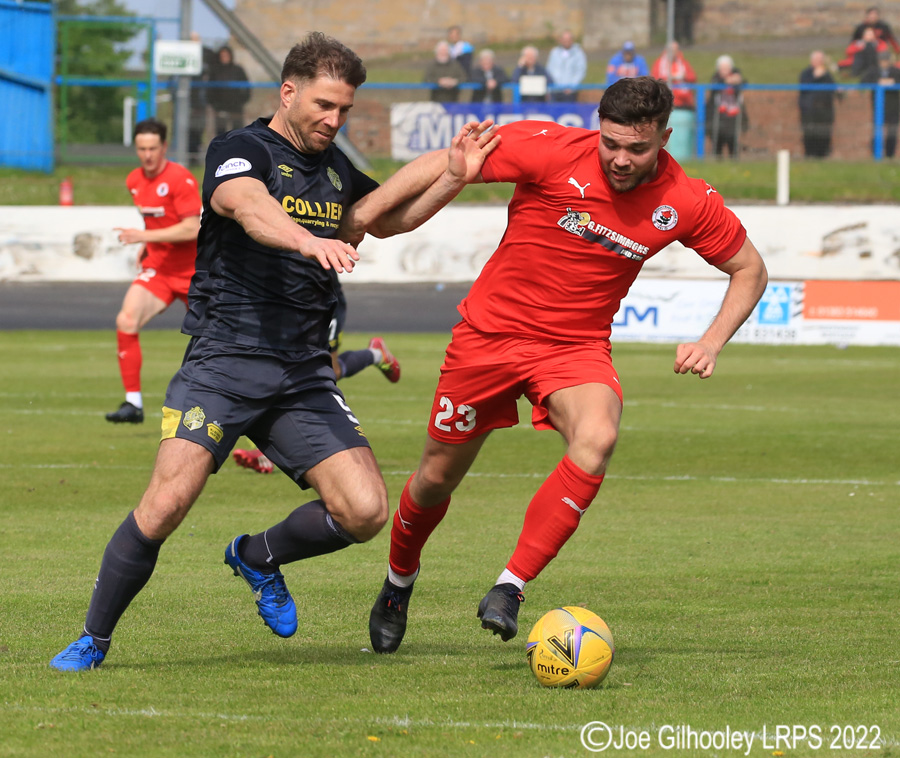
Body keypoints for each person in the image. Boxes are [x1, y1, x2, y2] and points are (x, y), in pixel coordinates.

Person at [49, 31, 499, 671]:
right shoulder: (240, 149)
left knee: (366, 511)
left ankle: (256, 555)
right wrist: (306, 242)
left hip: (302, 372)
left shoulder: (335, 166)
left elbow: (380, 215)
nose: (333, 120)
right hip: (223, 362)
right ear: (287, 93)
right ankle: (94, 638)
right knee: (165, 504)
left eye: (343, 109)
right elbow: (249, 207)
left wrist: (452, 174)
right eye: (323, 105)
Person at [365, 76, 767, 655]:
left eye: (638, 149)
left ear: (665, 139)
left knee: (598, 437)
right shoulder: (550, 149)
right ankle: (398, 582)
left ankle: (510, 587)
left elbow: (750, 269)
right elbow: (444, 161)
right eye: (611, 144)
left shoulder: (686, 200)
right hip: (489, 337)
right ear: (596, 128)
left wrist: (712, 341)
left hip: (573, 349)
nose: (622, 159)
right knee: (435, 478)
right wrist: (365, 214)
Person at [233, 297, 401, 474]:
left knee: (329, 369)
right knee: (272, 368)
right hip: (289, 303)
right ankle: (264, 452)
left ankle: (375, 354)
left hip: (322, 300)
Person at [106, 118, 201, 424]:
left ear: (164, 147)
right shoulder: (134, 180)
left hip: (195, 272)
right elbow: (157, 221)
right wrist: (147, 246)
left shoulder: (180, 179)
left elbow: (192, 227)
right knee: (126, 319)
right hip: (159, 268)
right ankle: (133, 403)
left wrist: (143, 237)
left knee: (215, 339)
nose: (147, 155)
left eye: (152, 148)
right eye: (141, 148)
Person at [705, 54, 747, 158]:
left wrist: (737, 79)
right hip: (718, 117)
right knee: (717, 144)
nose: (724, 71)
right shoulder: (715, 78)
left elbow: (744, 83)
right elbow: (715, 84)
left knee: (733, 143)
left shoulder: (736, 78)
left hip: (732, 118)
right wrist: (726, 81)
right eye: (722, 68)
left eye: (727, 68)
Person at [861, 48, 900, 158]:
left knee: (892, 131)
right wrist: (878, 82)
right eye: (882, 60)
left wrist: (893, 82)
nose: (884, 63)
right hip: (878, 107)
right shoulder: (873, 71)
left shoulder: (896, 71)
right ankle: (876, 155)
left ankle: (890, 155)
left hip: (893, 107)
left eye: (886, 60)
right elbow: (863, 82)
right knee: (877, 131)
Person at [798, 50, 838, 158]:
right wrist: (816, 77)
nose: (819, 62)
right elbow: (804, 88)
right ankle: (810, 154)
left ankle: (823, 154)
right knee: (810, 132)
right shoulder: (806, 73)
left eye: (821, 60)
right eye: (817, 60)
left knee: (824, 131)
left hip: (825, 110)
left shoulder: (827, 75)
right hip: (810, 110)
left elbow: (834, 88)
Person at [208, 45, 251, 136]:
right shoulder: (215, 71)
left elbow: (246, 87)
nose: (224, 58)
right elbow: (210, 88)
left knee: (237, 132)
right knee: (221, 132)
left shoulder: (238, 70)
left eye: (226, 55)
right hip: (220, 107)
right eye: (222, 55)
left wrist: (242, 100)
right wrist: (214, 104)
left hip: (235, 107)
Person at [652, 41, 697, 110]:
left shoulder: (683, 63)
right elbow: (654, 79)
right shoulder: (659, 63)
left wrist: (684, 76)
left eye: (676, 50)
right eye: (672, 50)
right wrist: (669, 78)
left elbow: (693, 77)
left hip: (684, 101)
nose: (674, 52)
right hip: (665, 100)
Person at [545, 30, 587, 103]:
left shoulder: (578, 53)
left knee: (569, 113)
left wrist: (572, 87)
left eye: (568, 39)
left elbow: (580, 71)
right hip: (556, 91)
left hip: (570, 92)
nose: (566, 41)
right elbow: (549, 70)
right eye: (564, 39)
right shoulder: (554, 52)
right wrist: (555, 86)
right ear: (561, 40)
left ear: (572, 40)